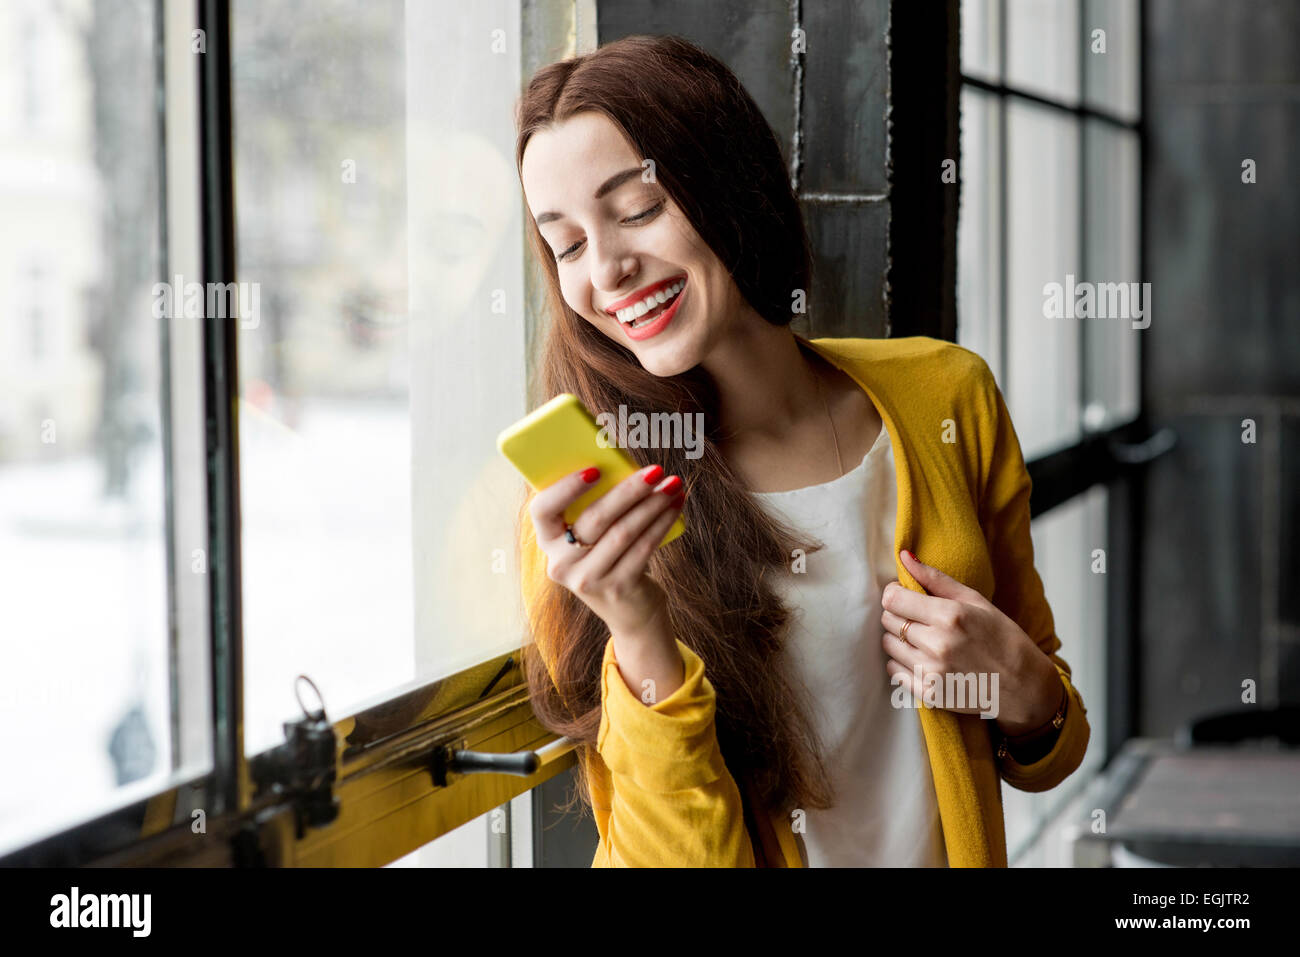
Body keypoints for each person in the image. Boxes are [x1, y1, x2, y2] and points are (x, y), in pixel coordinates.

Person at [512, 34, 1089, 867]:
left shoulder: (946, 394)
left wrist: (1026, 688)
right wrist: (637, 628)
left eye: (636, 210)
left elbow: (1049, 746)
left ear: (733, 184)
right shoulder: (594, 512)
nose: (606, 269)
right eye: (566, 244)